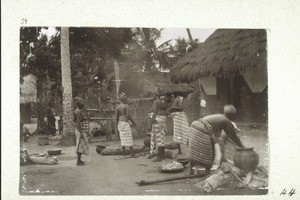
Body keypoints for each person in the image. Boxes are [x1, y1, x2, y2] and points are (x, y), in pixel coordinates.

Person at [187, 104, 244, 175]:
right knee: (208, 151)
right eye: (234, 115)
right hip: (202, 128)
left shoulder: (220, 117)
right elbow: (234, 136)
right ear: (231, 115)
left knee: (194, 149)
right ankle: (207, 173)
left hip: (194, 125)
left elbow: (216, 135)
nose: (235, 117)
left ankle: (191, 171)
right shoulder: (226, 121)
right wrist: (242, 147)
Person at [148, 88, 171, 162]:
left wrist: (151, 123)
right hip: (163, 120)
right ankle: (163, 155)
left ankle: (160, 157)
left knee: (158, 139)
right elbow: (167, 111)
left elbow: (154, 113)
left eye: (154, 94)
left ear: (156, 94)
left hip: (157, 120)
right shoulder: (165, 101)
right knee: (162, 137)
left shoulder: (156, 102)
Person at [116, 92, 138, 158]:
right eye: (125, 99)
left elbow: (116, 117)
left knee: (122, 138)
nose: (126, 100)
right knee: (129, 138)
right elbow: (128, 115)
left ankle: (124, 153)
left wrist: (117, 124)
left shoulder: (118, 107)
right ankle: (132, 154)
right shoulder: (126, 106)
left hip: (120, 123)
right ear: (123, 100)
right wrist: (133, 122)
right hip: (125, 123)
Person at [73, 97, 89, 166]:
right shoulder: (79, 111)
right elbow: (78, 121)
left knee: (80, 145)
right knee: (80, 145)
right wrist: (80, 131)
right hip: (80, 130)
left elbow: (74, 120)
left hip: (77, 129)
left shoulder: (76, 110)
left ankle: (79, 160)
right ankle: (78, 161)